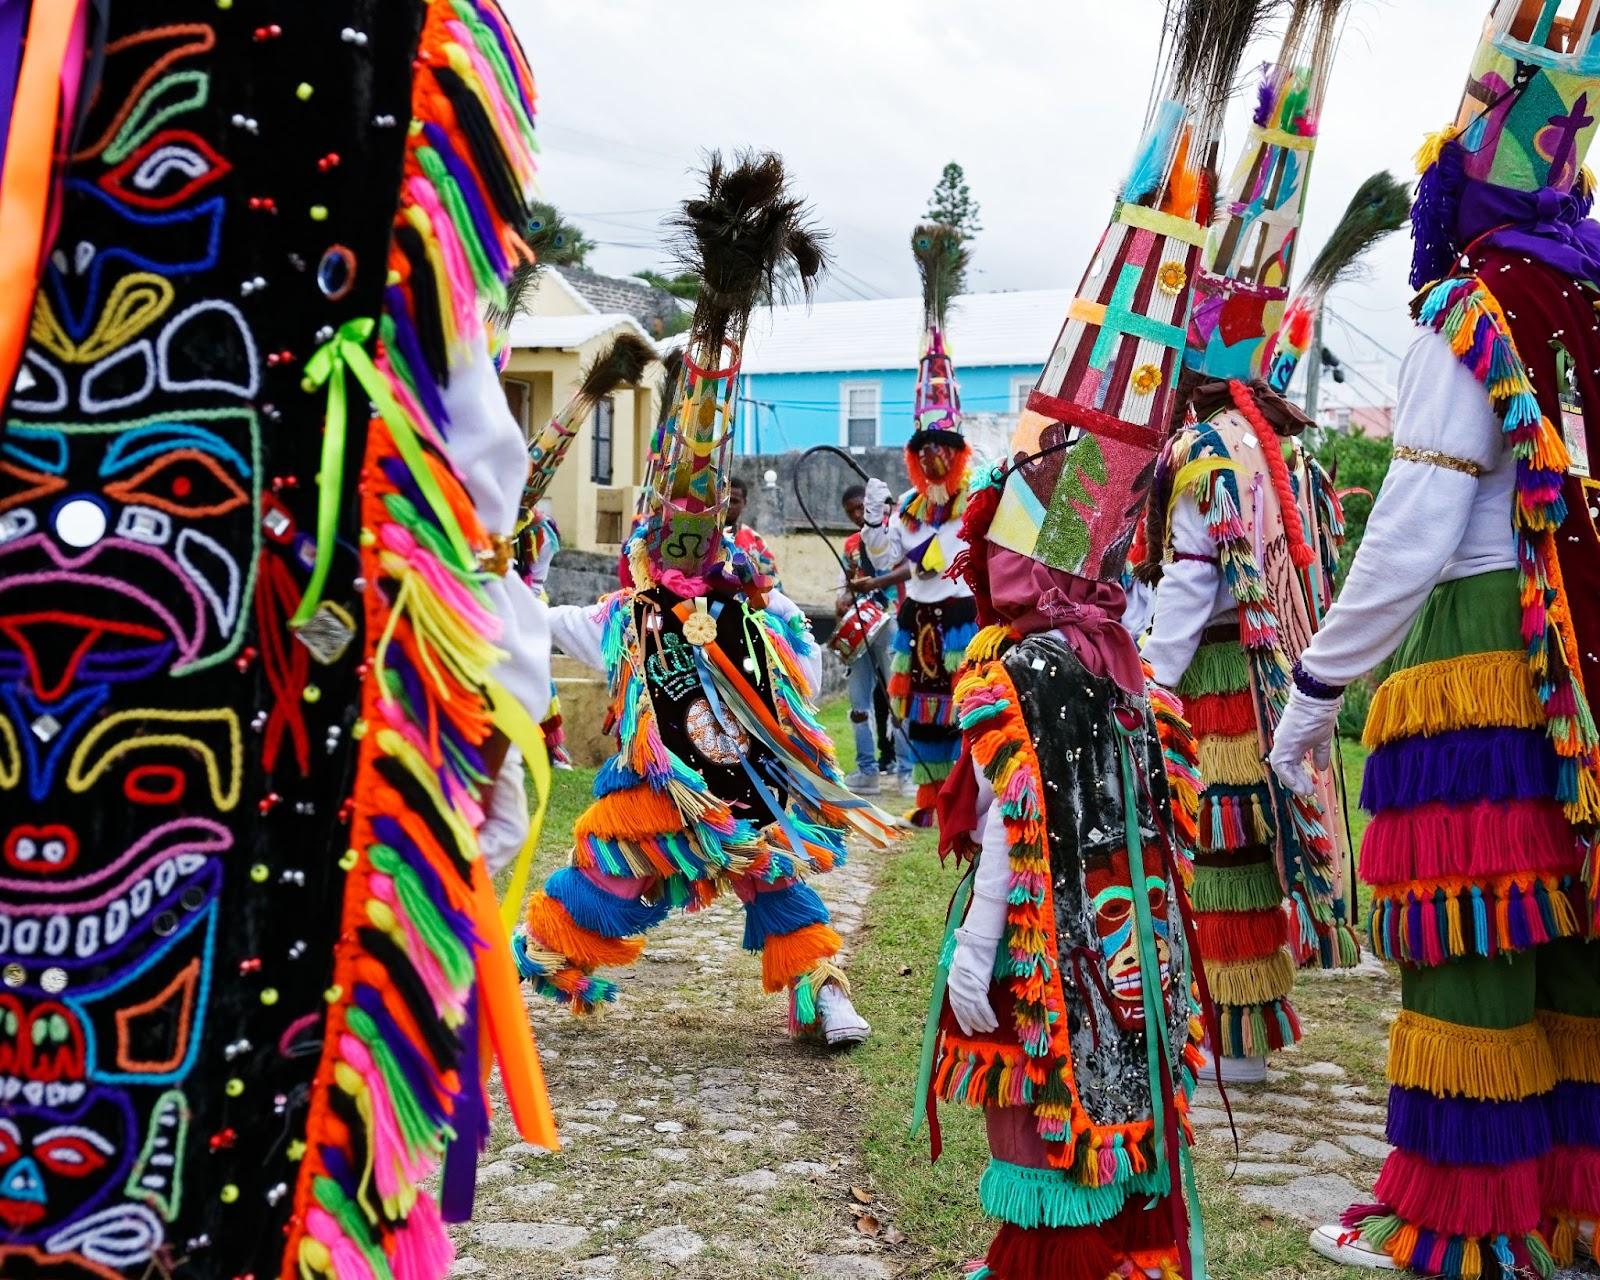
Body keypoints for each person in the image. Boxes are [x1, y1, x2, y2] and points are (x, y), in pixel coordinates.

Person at [0, 4, 557, 1277]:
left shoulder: (383, 47)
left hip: (264, 736)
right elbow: (455, 439)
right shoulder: (385, 39)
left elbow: (445, 455)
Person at [911, 8, 1258, 1268]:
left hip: (1055, 962)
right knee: (1129, 1116)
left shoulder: (1019, 668)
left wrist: (973, 955)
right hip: (1137, 948)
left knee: (1052, 1127)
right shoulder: (1117, 655)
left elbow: (1009, 831)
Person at [1267, 2, 1600, 1272]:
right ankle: (1571, 1210)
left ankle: (1468, 1224)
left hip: (1483, 673)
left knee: (1473, 944)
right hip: (1585, 672)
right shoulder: (1586, 302)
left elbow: (1407, 538)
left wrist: (1313, 697)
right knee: (1574, 957)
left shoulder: (1467, 312)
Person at [514, 153, 900, 1049]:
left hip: (751, 784)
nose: (684, 559)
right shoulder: (620, 617)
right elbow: (533, 620)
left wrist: (773, 690)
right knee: (600, 872)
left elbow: (801, 674)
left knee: (783, 884)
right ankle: (544, 960)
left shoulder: (765, 614)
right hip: (660, 790)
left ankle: (822, 992)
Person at [861, 222, 980, 827]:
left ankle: (964, 797)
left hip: (964, 620)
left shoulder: (980, 499)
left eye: (944, 447)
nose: (934, 457)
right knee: (923, 712)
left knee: (965, 709)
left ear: (958, 450)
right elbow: (897, 563)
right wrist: (878, 545)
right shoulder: (907, 506)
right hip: (919, 620)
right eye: (924, 448)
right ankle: (929, 799)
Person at [837, 483, 912, 795]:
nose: (858, 515)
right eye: (852, 511)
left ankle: (906, 772)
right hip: (859, 626)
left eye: (862, 508)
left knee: (899, 699)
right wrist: (842, 600)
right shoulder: (851, 545)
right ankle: (867, 770)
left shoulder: (897, 530)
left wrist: (874, 584)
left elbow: (912, 569)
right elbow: (844, 585)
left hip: (892, 620)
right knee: (858, 703)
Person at [726, 475, 782, 589]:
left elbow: (773, 584)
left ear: (744, 503)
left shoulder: (755, 541)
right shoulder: (704, 534)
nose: (728, 506)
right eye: (725, 500)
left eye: (734, 501)